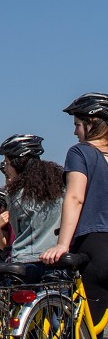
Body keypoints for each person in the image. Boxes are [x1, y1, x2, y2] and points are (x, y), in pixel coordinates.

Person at [43, 94, 108, 325]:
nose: (75, 132)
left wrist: (62, 245)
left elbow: (75, 197)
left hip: (95, 244)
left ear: (92, 124)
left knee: (87, 334)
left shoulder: (80, 152)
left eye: (77, 125)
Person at [0, 134, 64, 282]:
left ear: (18, 163)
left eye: (7, 163)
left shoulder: (15, 195)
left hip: (24, 261)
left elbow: (16, 228)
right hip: (54, 259)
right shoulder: (60, 188)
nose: (5, 168)